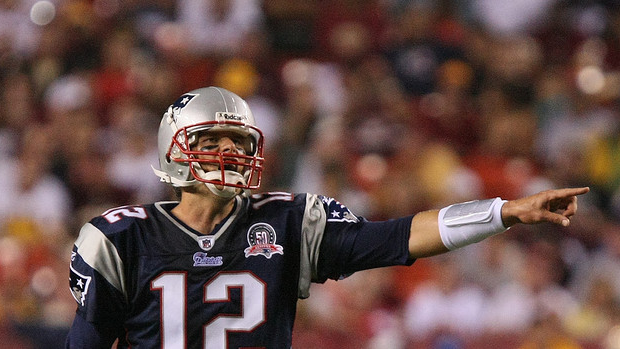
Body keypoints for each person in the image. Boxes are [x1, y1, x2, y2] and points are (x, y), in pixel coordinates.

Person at [65, 86, 589, 348]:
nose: (229, 152)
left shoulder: (288, 220)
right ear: (176, 151)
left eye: (238, 141)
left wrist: (504, 212)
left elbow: (399, 238)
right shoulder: (122, 237)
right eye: (212, 141)